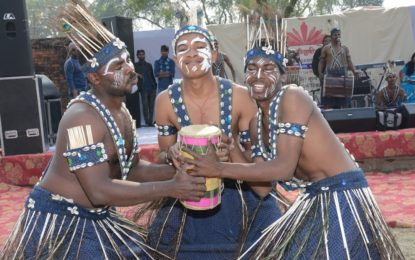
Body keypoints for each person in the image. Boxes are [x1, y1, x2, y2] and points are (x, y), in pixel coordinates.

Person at [0, 4, 205, 259]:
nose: (130, 68)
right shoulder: (81, 120)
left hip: (99, 218)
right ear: (95, 78)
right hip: (63, 226)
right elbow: (98, 190)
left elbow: (133, 169)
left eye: (128, 59)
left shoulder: (121, 113)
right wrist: (172, 187)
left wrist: (183, 171)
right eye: (118, 65)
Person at [184, 43, 404, 259]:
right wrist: (231, 145)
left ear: (282, 76)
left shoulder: (293, 97)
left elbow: (284, 169)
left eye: (268, 69)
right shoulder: (256, 123)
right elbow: (262, 190)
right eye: (251, 69)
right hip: (313, 196)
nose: (258, 75)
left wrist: (219, 168)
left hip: (343, 194)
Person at [138, 25, 281, 259]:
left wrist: (231, 149)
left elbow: (258, 167)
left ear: (214, 54)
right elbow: (163, 156)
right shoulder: (165, 101)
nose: (191, 54)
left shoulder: (240, 96)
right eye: (183, 49)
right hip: (188, 197)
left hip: (238, 197)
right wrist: (172, 153)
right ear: (175, 58)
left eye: (199, 46)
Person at [318, 28, 359, 109]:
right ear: (332, 36)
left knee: (344, 100)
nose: (337, 36)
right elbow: (321, 61)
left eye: (339, 34)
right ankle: (329, 119)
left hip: (342, 74)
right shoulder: (326, 48)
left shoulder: (344, 48)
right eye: (335, 35)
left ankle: (345, 118)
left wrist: (354, 71)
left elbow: (349, 61)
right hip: (330, 74)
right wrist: (320, 73)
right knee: (329, 100)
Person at [134, 49, 157, 126]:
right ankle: (147, 121)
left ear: (144, 55)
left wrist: (155, 85)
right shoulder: (135, 65)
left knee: (151, 106)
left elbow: (152, 76)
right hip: (143, 88)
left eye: (142, 54)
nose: (141, 56)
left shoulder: (149, 65)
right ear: (137, 56)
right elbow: (131, 72)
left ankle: (150, 122)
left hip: (152, 87)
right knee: (145, 106)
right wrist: (138, 74)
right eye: (140, 54)